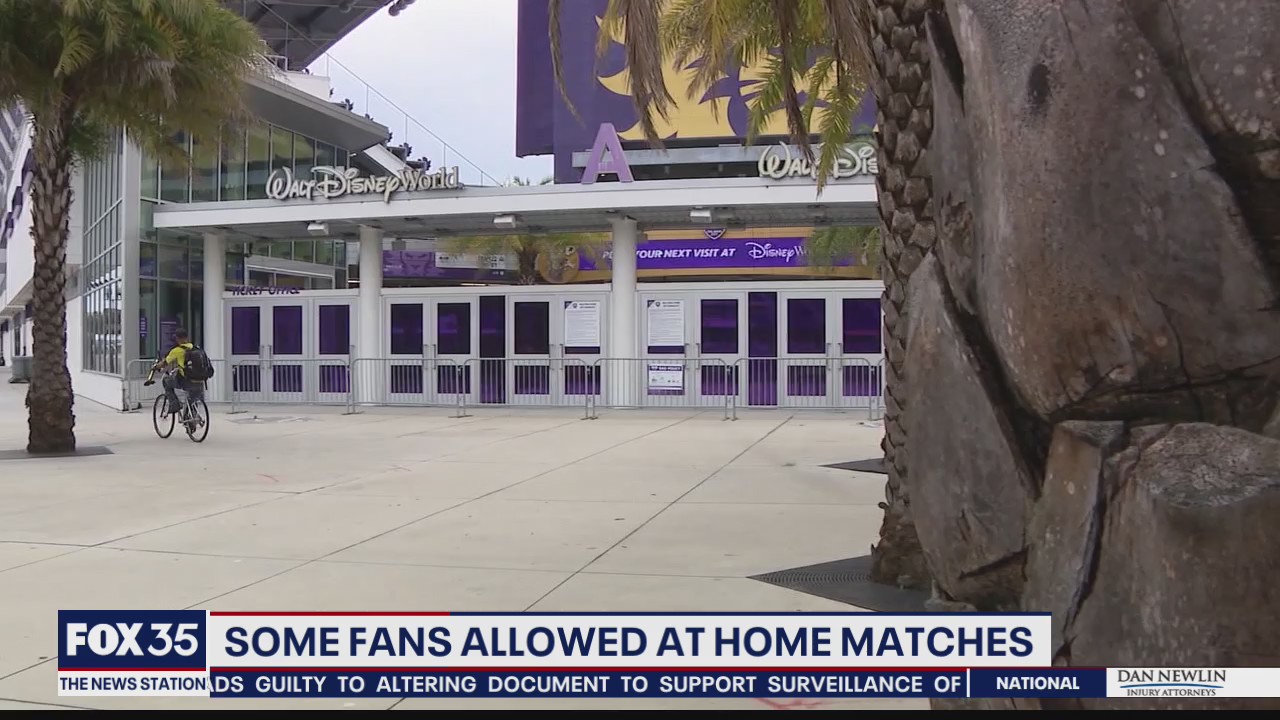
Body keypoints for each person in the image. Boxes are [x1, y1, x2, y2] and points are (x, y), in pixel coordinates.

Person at [153, 329, 201, 417]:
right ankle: (192, 418)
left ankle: (174, 404)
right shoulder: (195, 347)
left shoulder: (177, 350)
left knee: (166, 381)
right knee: (191, 399)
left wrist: (155, 367)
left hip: (186, 381)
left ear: (177, 338)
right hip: (200, 380)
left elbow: (164, 363)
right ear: (187, 337)